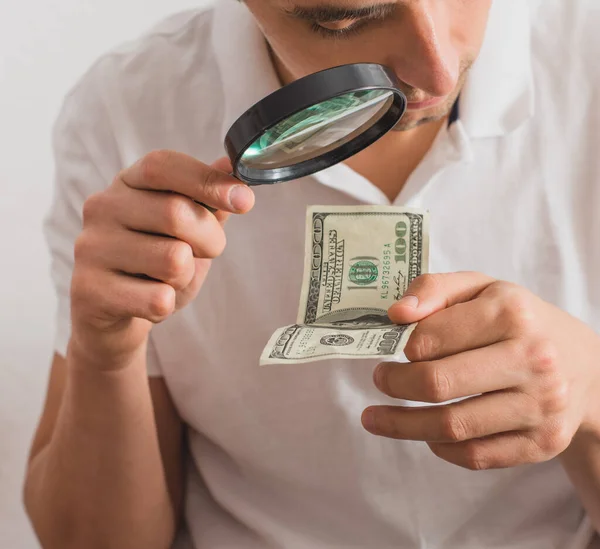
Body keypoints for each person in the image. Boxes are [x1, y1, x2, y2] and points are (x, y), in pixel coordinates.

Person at [22, 0, 600, 548]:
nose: (440, 73)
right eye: (346, 19)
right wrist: (106, 353)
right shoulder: (127, 112)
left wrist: (591, 395)